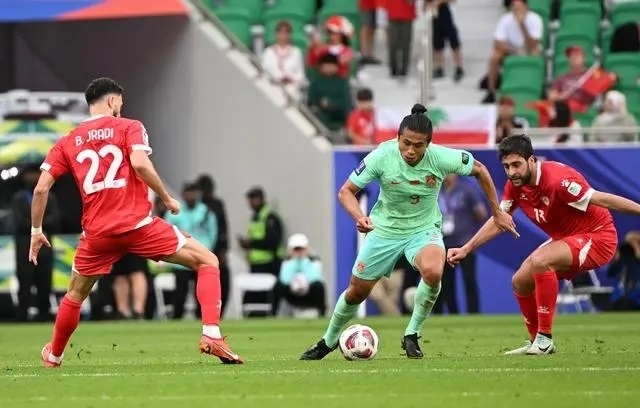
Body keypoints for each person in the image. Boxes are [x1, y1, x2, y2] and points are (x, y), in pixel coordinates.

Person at [29, 77, 243, 367]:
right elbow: (140, 164)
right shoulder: (130, 126)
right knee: (207, 261)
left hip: (97, 235)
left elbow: (41, 189)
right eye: (120, 101)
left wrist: (36, 231)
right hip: (138, 226)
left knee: (75, 295)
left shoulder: (67, 140)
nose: (121, 106)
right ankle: (211, 335)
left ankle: (54, 355)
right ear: (112, 100)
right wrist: (166, 198)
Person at [299, 103, 517, 360]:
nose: (411, 151)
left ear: (429, 144)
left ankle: (412, 334)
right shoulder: (382, 155)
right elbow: (346, 191)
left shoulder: (441, 157)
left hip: (423, 230)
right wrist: (359, 217)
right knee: (357, 292)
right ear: (398, 138)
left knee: (434, 272)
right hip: (384, 230)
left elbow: (480, 169)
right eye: (406, 143)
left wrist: (496, 211)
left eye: (418, 145)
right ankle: (328, 341)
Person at [447, 134, 640, 355]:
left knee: (541, 261)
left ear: (531, 160)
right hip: (566, 238)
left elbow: (604, 199)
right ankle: (535, 341)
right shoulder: (515, 186)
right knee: (520, 282)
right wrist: (466, 248)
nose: (511, 172)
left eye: (516, 165)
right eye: (506, 166)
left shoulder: (559, 180)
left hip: (597, 237)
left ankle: (545, 339)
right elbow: (499, 220)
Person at [12, 163, 61, 322]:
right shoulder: (19, 198)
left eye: (36, 174)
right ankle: (22, 314)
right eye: (30, 174)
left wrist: (36, 226)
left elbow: (56, 220)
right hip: (24, 245)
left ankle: (44, 313)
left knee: (45, 279)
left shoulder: (50, 197)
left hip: (45, 245)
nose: (33, 177)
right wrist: (37, 226)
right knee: (24, 279)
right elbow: (18, 222)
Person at [165, 183, 217, 319]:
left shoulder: (205, 212)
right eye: (188, 193)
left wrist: (208, 250)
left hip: (200, 258)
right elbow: (166, 229)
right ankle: (177, 319)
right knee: (179, 293)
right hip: (180, 259)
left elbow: (213, 232)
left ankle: (203, 319)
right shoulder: (175, 210)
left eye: (193, 193)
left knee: (201, 292)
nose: (190, 196)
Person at [196, 174, 230, 314]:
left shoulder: (217, 204)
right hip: (202, 249)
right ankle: (202, 311)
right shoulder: (198, 207)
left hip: (217, 249)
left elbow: (223, 228)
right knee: (203, 280)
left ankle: (219, 310)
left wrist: (224, 249)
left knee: (223, 280)